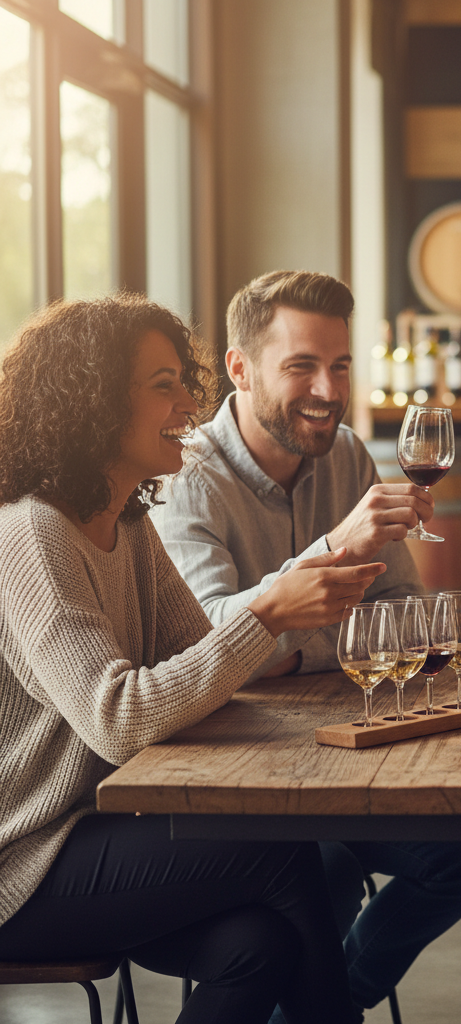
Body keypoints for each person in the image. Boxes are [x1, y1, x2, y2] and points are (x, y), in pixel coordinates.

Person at [0, 294, 383, 1024]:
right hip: (21, 861)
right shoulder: (34, 535)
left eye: (185, 380)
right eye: (164, 385)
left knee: (259, 942)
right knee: (283, 852)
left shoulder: (127, 523)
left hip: (91, 829)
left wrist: (266, 631)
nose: (191, 402)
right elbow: (119, 718)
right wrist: (270, 611)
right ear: (95, 404)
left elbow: (197, 657)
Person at [151, 269, 461, 1015]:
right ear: (240, 371)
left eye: (339, 365)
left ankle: (342, 993)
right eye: (301, 366)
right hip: (240, 772)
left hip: (344, 749)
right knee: (321, 868)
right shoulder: (188, 479)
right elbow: (208, 644)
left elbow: (402, 606)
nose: (328, 390)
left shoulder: (348, 458)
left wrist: (308, 636)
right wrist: (335, 563)